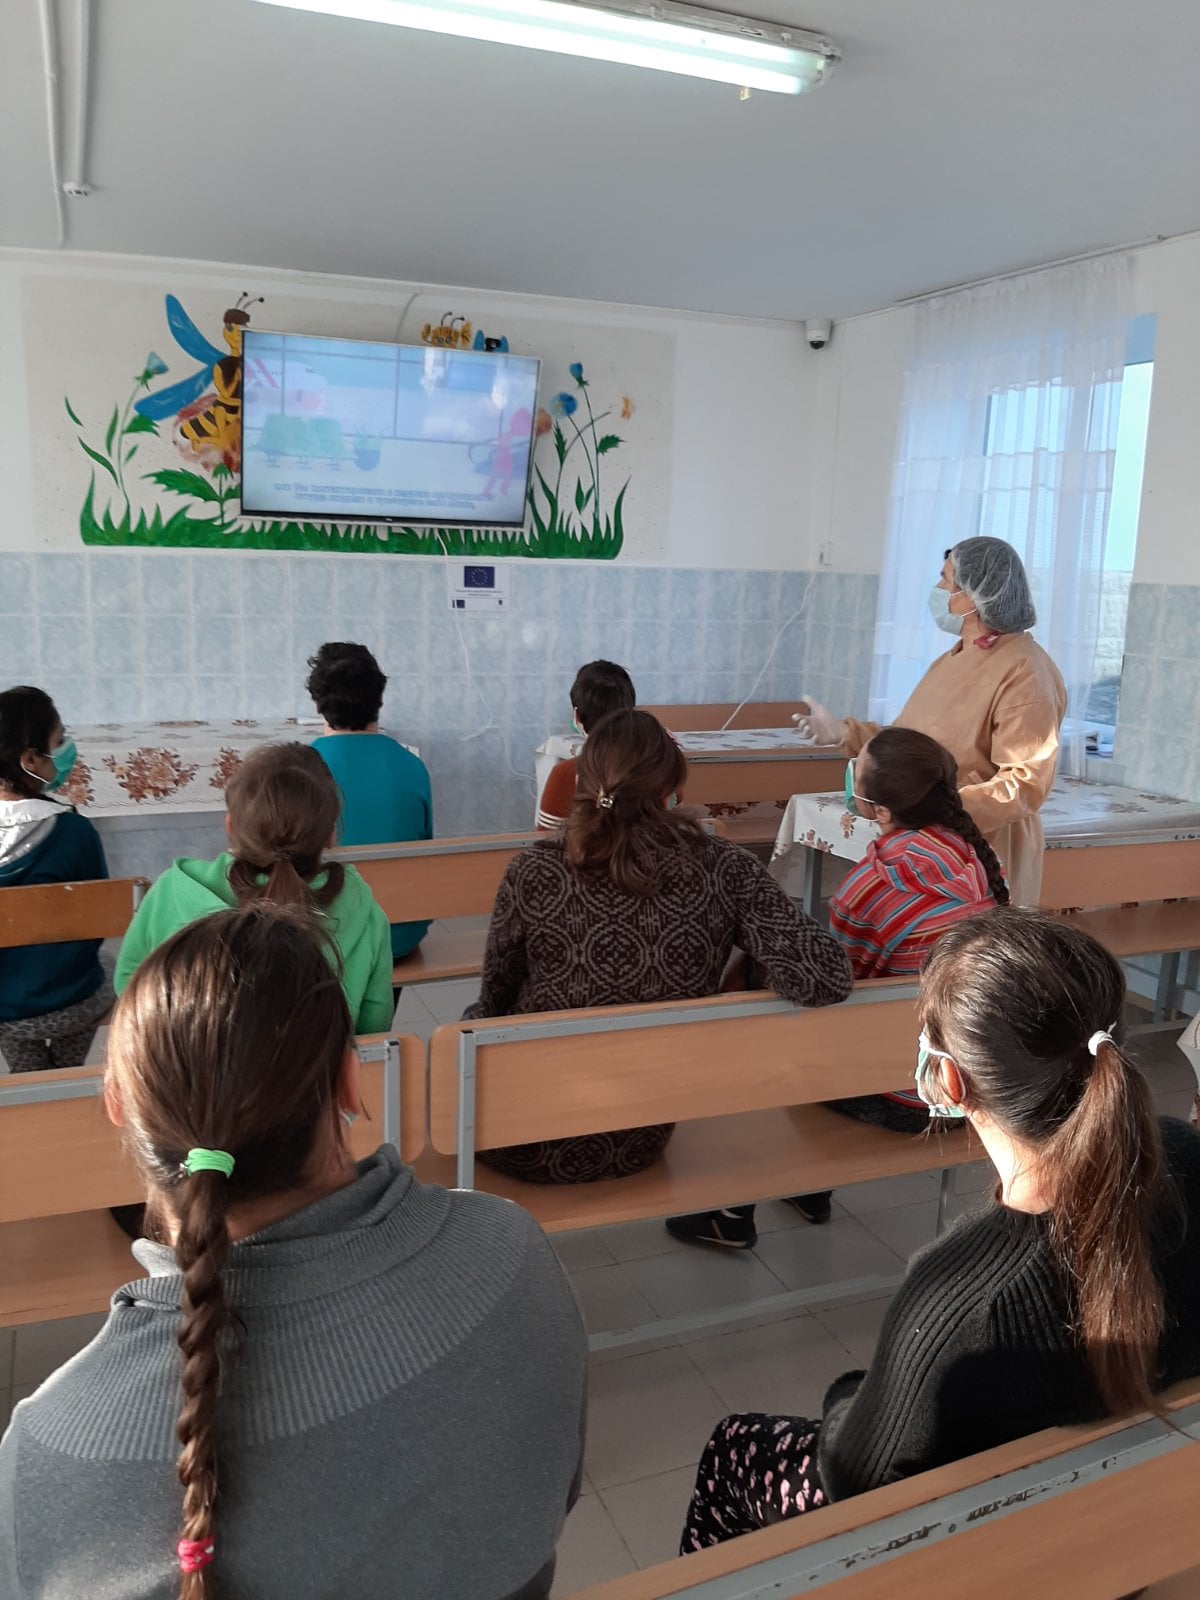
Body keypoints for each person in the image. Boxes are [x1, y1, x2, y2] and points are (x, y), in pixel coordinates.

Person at [0, 904, 588, 1599]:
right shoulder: (510, 1249)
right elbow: (558, 1489)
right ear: (348, 1081)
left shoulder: (50, 1450)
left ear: (118, 1105)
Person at [680, 909, 1200, 1551]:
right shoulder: (1183, 1154)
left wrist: (856, 1393)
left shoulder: (962, 1298)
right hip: (1136, 1531)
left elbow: (854, 1476)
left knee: (734, 1447)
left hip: (985, 1559)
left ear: (950, 1080)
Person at [467, 708, 853, 1185]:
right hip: (642, 1133)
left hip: (524, 1137)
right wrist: (748, 971)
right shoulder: (724, 868)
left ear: (586, 782)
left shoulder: (533, 871)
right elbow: (825, 978)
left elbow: (493, 1002)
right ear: (674, 788)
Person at [677, 727, 1007, 1243]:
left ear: (877, 809)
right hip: (967, 1083)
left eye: (857, 764)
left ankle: (734, 1210)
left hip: (902, 1097)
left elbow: (830, 989)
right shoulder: (972, 860)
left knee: (766, 1005)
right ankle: (809, 1189)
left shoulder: (872, 884)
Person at [799, 538, 1066, 906]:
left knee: (964, 959)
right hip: (924, 841)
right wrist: (848, 733)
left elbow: (1023, 785)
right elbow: (913, 745)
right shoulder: (955, 658)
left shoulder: (1024, 671)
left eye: (946, 581)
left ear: (973, 595)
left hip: (979, 848)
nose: (938, 590)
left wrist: (936, 808)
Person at [114, 741, 393, 1032]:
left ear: (230, 825)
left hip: (187, 1075)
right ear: (331, 836)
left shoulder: (172, 892)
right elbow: (374, 1025)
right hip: (322, 1076)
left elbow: (129, 989)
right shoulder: (364, 911)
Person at [0, 685, 113, 1072]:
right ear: (30, 758)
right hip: (74, 1001)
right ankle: (66, 1074)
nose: (67, 748)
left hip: (4, 1009)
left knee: (25, 1062)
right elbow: (98, 922)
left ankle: (31, 1080)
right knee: (109, 965)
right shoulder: (73, 832)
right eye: (59, 740)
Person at [307, 641, 433, 962]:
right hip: (400, 932)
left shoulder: (302, 766)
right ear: (379, 700)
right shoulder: (411, 765)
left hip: (328, 939)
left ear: (318, 704)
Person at [536, 659, 636, 830]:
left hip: (582, 856)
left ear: (577, 716)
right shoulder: (659, 769)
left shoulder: (565, 774)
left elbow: (546, 843)